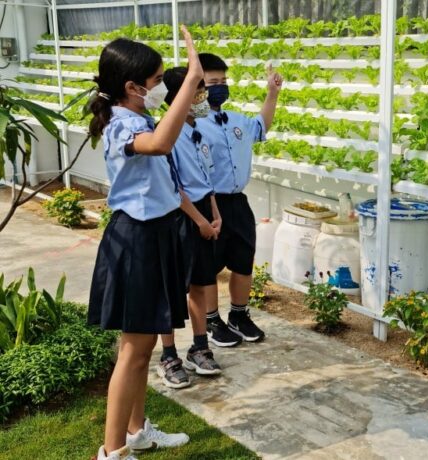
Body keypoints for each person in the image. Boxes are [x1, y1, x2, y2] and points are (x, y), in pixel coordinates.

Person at [87, 26, 204, 460]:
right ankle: (113, 451)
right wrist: (190, 80)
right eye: (157, 82)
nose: (162, 88)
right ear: (132, 88)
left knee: (142, 346)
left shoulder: (136, 116)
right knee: (135, 352)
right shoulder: (123, 125)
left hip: (155, 236)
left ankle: (135, 432)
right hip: (136, 241)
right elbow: (158, 144)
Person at [195, 53, 283, 347]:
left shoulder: (236, 120)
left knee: (243, 261)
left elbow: (261, 126)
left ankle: (238, 315)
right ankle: (211, 321)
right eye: (212, 82)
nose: (219, 87)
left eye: (223, 81)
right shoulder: (191, 124)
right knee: (207, 266)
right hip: (208, 203)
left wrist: (273, 93)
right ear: (197, 86)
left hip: (237, 202)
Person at [155, 66, 224, 390]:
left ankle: (200, 346)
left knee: (201, 285)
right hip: (181, 220)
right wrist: (199, 221)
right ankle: (168, 355)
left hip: (204, 218)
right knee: (171, 291)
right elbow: (172, 185)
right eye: (196, 91)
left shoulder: (195, 128)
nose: (202, 97)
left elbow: (204, 178)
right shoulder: (166, 133)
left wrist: (214, 213)